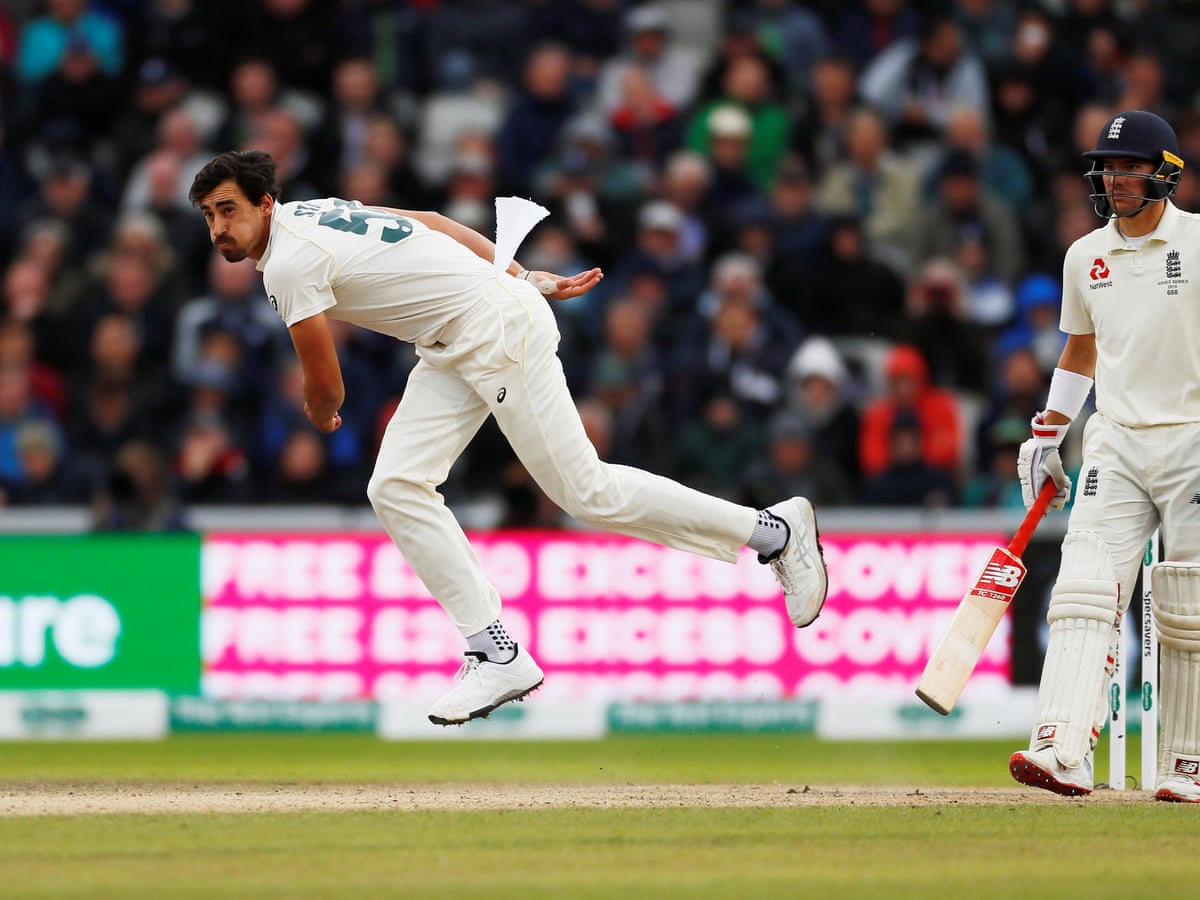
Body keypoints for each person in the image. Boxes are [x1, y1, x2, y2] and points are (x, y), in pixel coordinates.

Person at [188, 149, 828, 727]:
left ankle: (774, 533)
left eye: (228, 211)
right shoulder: (313, 212)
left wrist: (318, 410)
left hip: (489, 331)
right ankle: (494, 649)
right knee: (396, 485)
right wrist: (521, 275)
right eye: (209, 217)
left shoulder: (287, 264)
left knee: (586, 492)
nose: (219, 229)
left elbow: (325, 383)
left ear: (264, 203)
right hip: (457, 338)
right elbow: (432, 221)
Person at [1009, 110, 1200, 803]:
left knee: (1188, 602)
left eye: (1129, 166)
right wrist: (1048, 431)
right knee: (1084, 587)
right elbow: (1082, 348)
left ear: (1166, 173)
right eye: (1107, 167)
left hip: (1195, 436)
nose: (1114, 178)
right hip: (1115, 438)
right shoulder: (1084, 255)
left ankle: (1189, 760)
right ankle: (1062, 746)